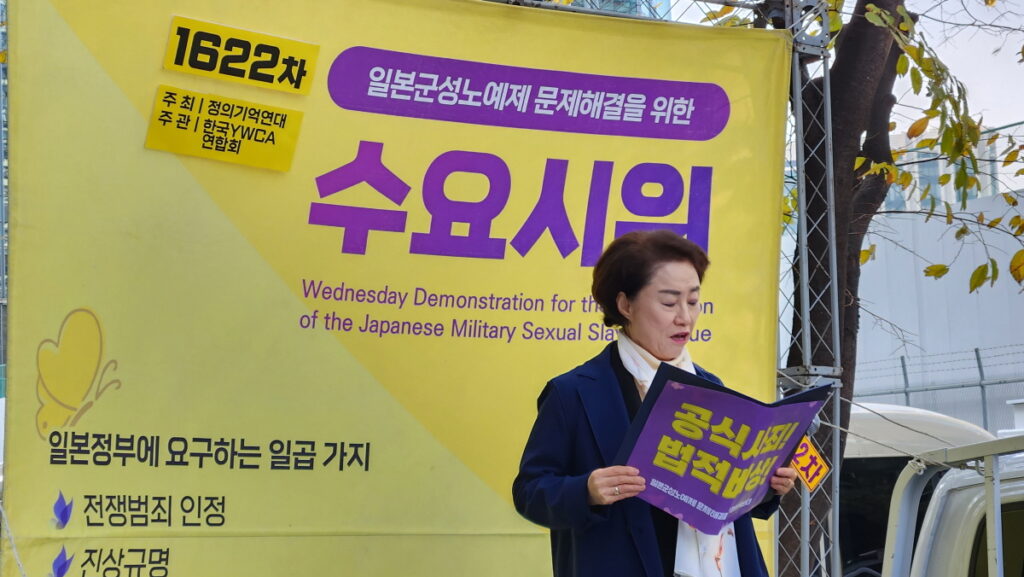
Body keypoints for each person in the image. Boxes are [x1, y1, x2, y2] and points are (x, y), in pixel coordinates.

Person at [512, 230, 799, 577]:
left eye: (693, 301)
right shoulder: (573, 392)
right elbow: (530, 492)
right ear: (625, 305)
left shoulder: (710, 385)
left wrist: (766, 486)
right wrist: (586, 490)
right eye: (669, 303)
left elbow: (725, 503)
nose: (685, 317)